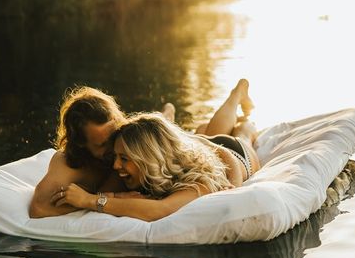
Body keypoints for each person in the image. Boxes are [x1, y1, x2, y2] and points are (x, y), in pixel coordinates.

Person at [50, 79, 260, 222]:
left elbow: (160, 210)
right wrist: (115, 196)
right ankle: (168, 117)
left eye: (123, 158)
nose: (115, 165)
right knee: (202, 132)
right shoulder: (146, 160)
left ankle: (237, 95)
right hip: (190, 147)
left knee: (238, 132)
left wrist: (90, 200)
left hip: (235, 154)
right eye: (117, 156)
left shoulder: (196, 183)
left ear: (146, 158)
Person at [29, 86, 127, 217]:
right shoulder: (69, 164)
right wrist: (87, 201)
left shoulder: (130, 140)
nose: (113, 148)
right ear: (80, 143)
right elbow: (38, 208)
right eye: (102, 145)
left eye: (113, 137)